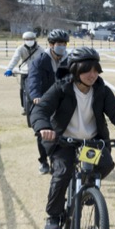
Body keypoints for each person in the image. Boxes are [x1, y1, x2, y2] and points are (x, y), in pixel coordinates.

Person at [30, 47, 115, 229]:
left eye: (96, 69)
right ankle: (54, 216)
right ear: (75, 69)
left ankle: (88, 191)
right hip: (64, 141)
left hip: (91, 142)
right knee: (62, 173)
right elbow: (41, 110)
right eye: (87, 69)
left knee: (105, 164)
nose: (92, 74)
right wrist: (43, 127)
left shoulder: (102, 91)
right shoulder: (61, 88)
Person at [26, 29, 71, 174]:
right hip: (44, 100)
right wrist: (36, 96)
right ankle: (44, 160)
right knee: (44, 131)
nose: (62, 46)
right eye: (59, 43)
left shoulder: (69, 59)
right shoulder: (39, 60)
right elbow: (33, 80)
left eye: (64, 44)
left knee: (63, 131)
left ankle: (58, 160)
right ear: (51, 45)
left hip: (62, 101)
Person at [4, 31, 46, 115]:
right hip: (24, 71)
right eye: (27, 39)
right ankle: (24, 107)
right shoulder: (20, 48)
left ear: (34, 39)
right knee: (22, 89)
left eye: (31, 39)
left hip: (37, 72)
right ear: (24, 40)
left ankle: (41, 105)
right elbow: (15, 59)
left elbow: (44, 60)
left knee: (40, 88)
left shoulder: (40, 49)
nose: (29, 40)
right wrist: (9, 69)